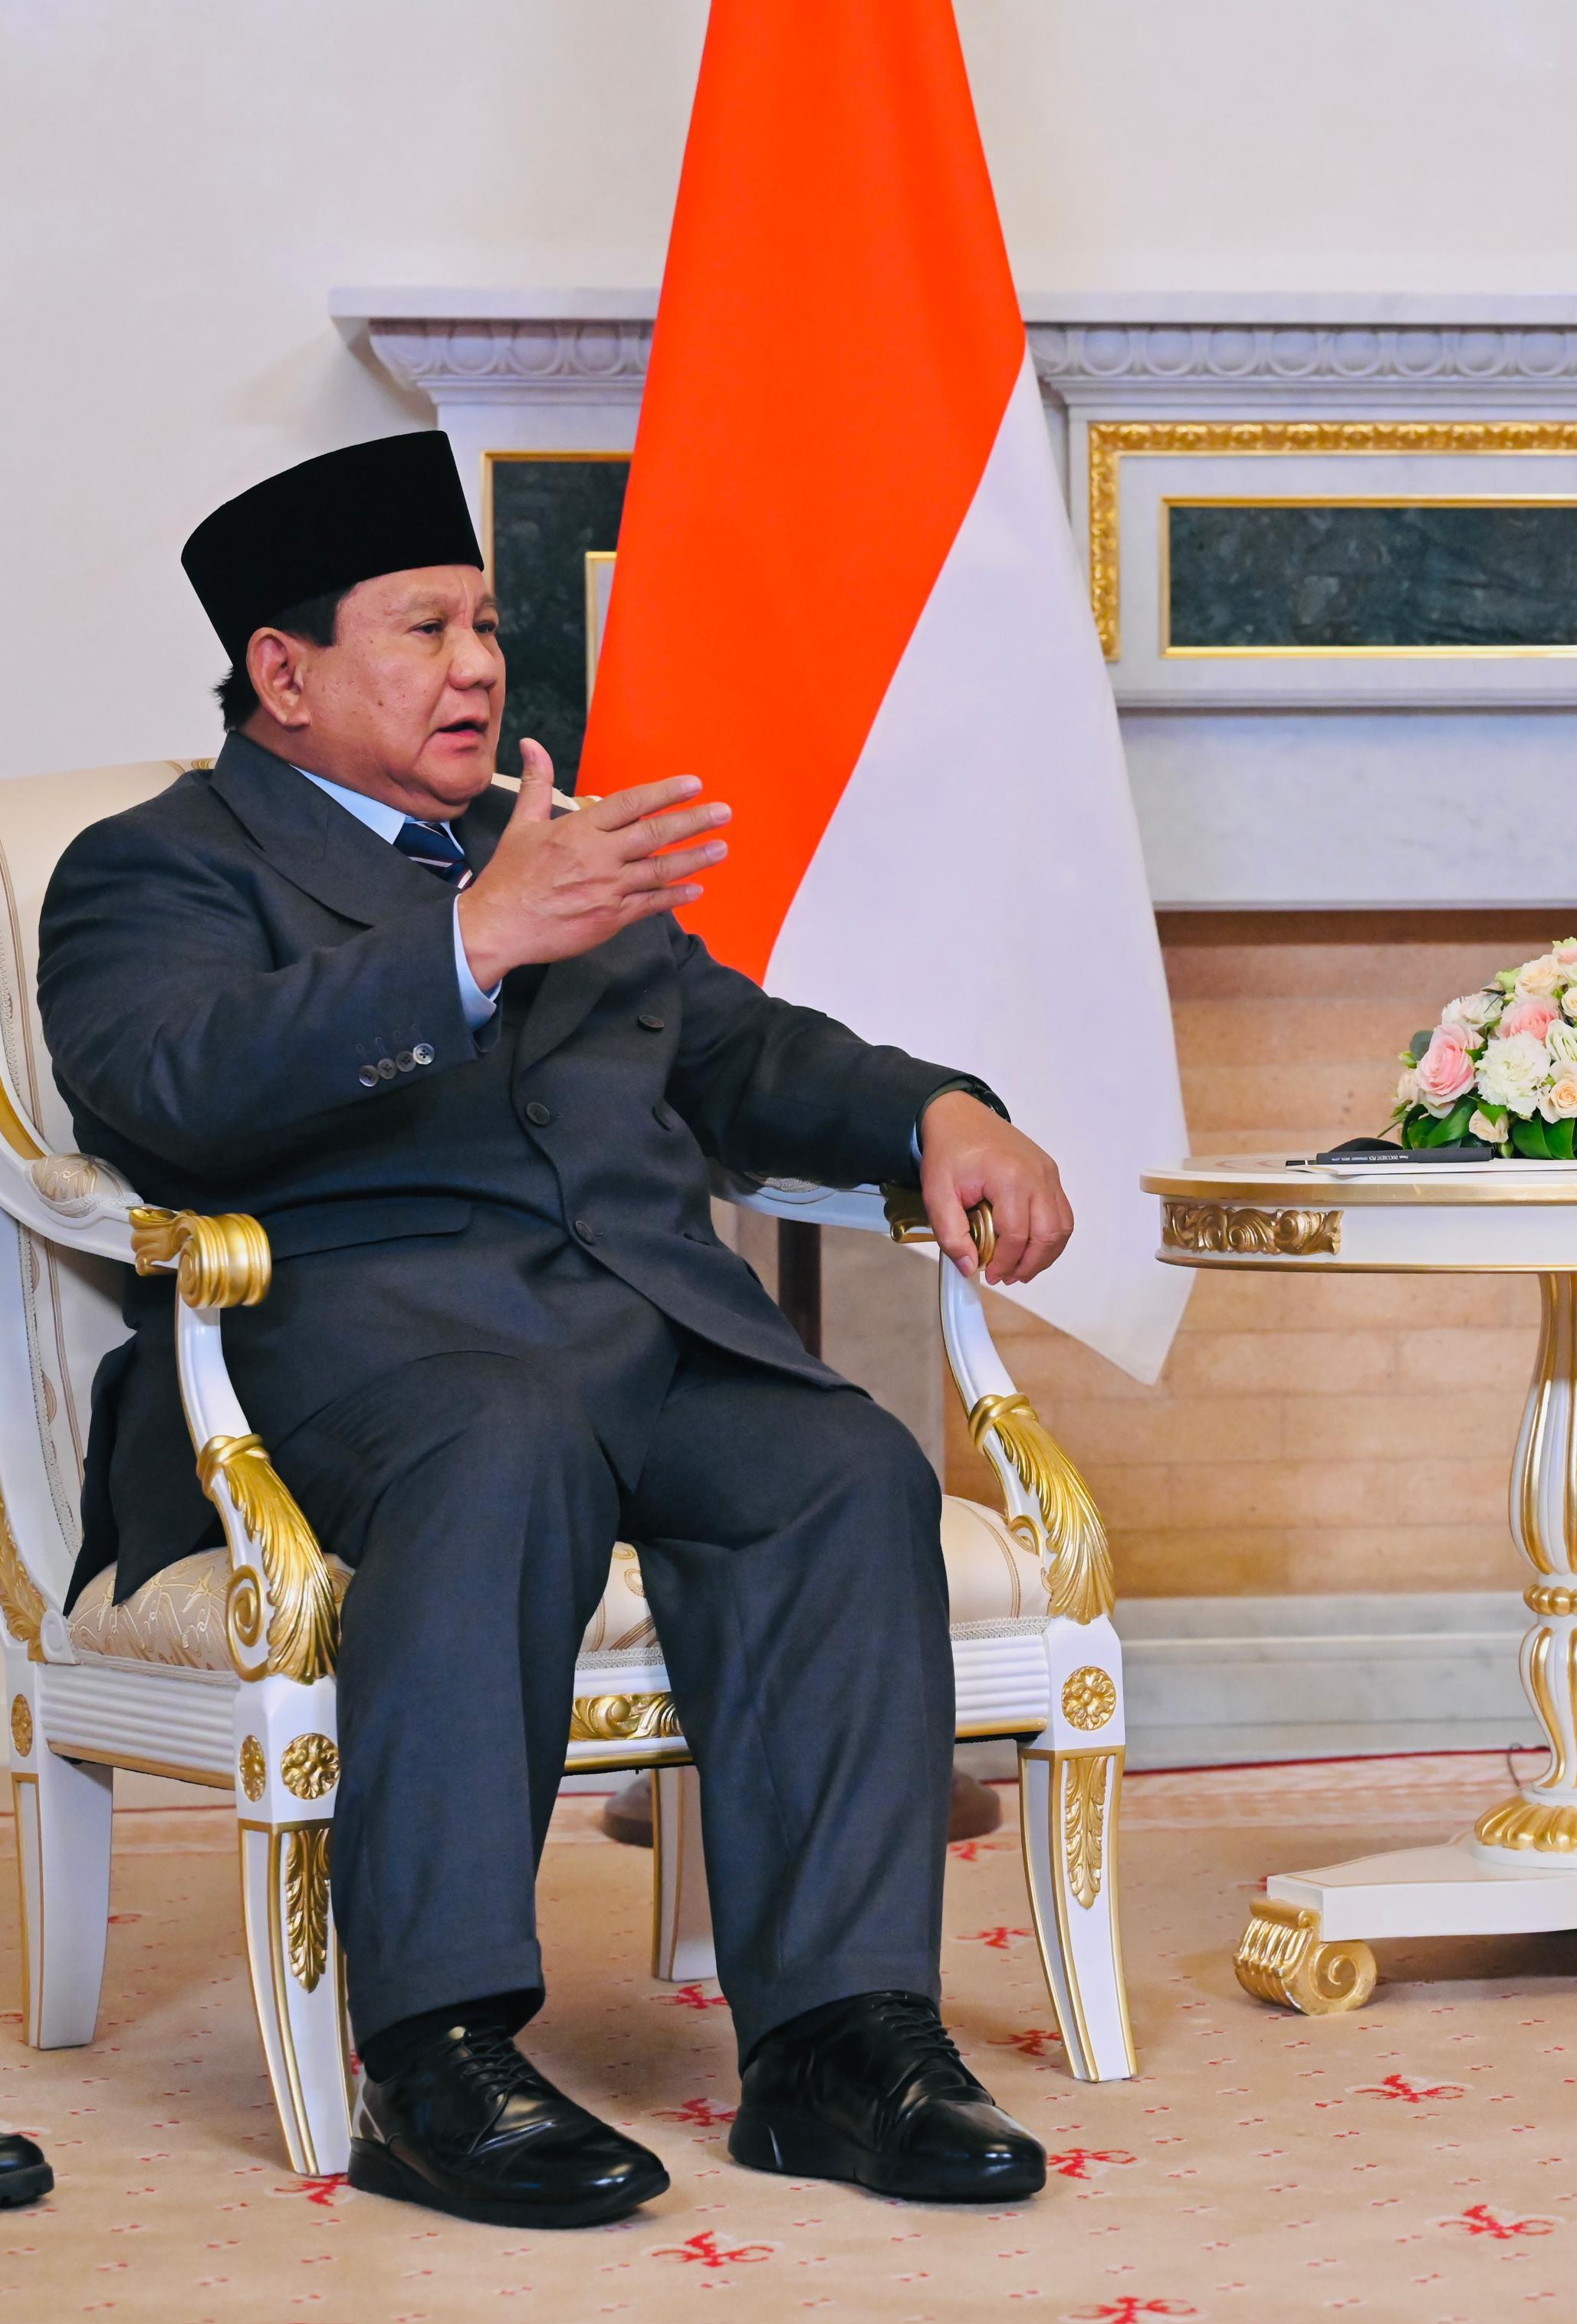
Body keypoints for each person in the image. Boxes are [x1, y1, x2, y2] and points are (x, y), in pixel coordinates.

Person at [40, 432, 1079, 2224]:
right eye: (423, 628)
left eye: (487, 626)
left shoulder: (551, 848)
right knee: (499, 1441)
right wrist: (466, 942)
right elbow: (169, 1083)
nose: (476, 666)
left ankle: (838, 2043)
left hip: (639, 1331)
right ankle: (435, 2055)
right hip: (349, 1356)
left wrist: (937, 1111)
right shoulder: (157, 866)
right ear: (282, 673)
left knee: (837, 1460)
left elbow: (742, 1052)